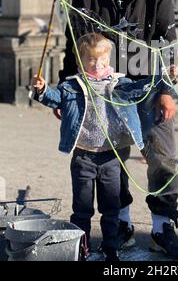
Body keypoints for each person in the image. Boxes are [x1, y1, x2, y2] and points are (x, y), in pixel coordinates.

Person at [58, 0, 178, 260]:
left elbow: (168, 44)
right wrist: (65, 91)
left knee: (161, 155)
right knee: (111, 158)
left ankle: (163, 227)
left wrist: (165, 91)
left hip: (148, 82)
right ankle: (123, 225)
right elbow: (74, 43)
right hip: (104, 87)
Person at [32, 32, 161, 262]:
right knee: (82, 209)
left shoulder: (120, 83)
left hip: (110, 156)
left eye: (103, 59)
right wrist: (41, 90)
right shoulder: (72, 85)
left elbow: (143, 88)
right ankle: (82, 247)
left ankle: (111, 246)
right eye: (92, 59)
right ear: (81, 61)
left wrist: (161, 78)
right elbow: (54, 98)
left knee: (111, 208)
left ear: (109, 59)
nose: (99, 64)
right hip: (83, 155)